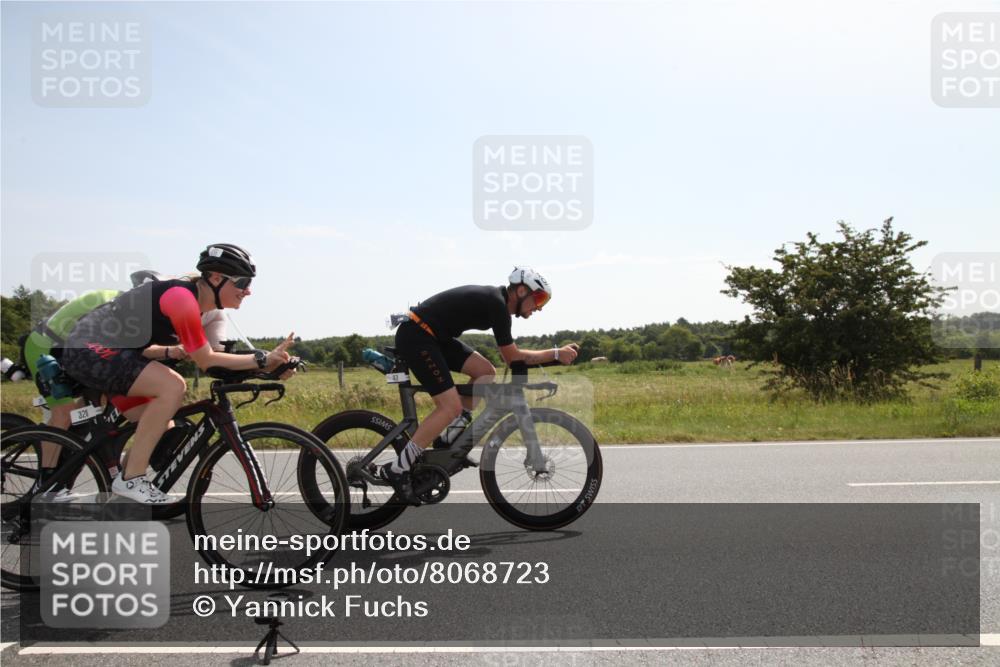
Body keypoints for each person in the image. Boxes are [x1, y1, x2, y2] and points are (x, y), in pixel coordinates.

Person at [60, 244, 295, 503]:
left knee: (160, 422)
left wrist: (269, 366)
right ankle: (130, 481)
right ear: (216, 278)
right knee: (172, 386)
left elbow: (220, 362)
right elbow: (206, 360)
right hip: (87, 345)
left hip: (122, 350)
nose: (248, 290)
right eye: (243, 282)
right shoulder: (182, 299)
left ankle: (122, 490)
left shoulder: (203, 308)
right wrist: (262, 359)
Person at [381, 267, 577, 499]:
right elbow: (512, 356)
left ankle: (450, 437)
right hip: (418, 336)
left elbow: (509, 358)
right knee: (449, 407)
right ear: (521, 290)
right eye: (539, 298)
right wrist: (555, 354)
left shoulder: (498, 303)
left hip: (434, 336)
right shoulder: (497, 304)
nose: (539, 307)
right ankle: (398, 468)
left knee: (485, 371)